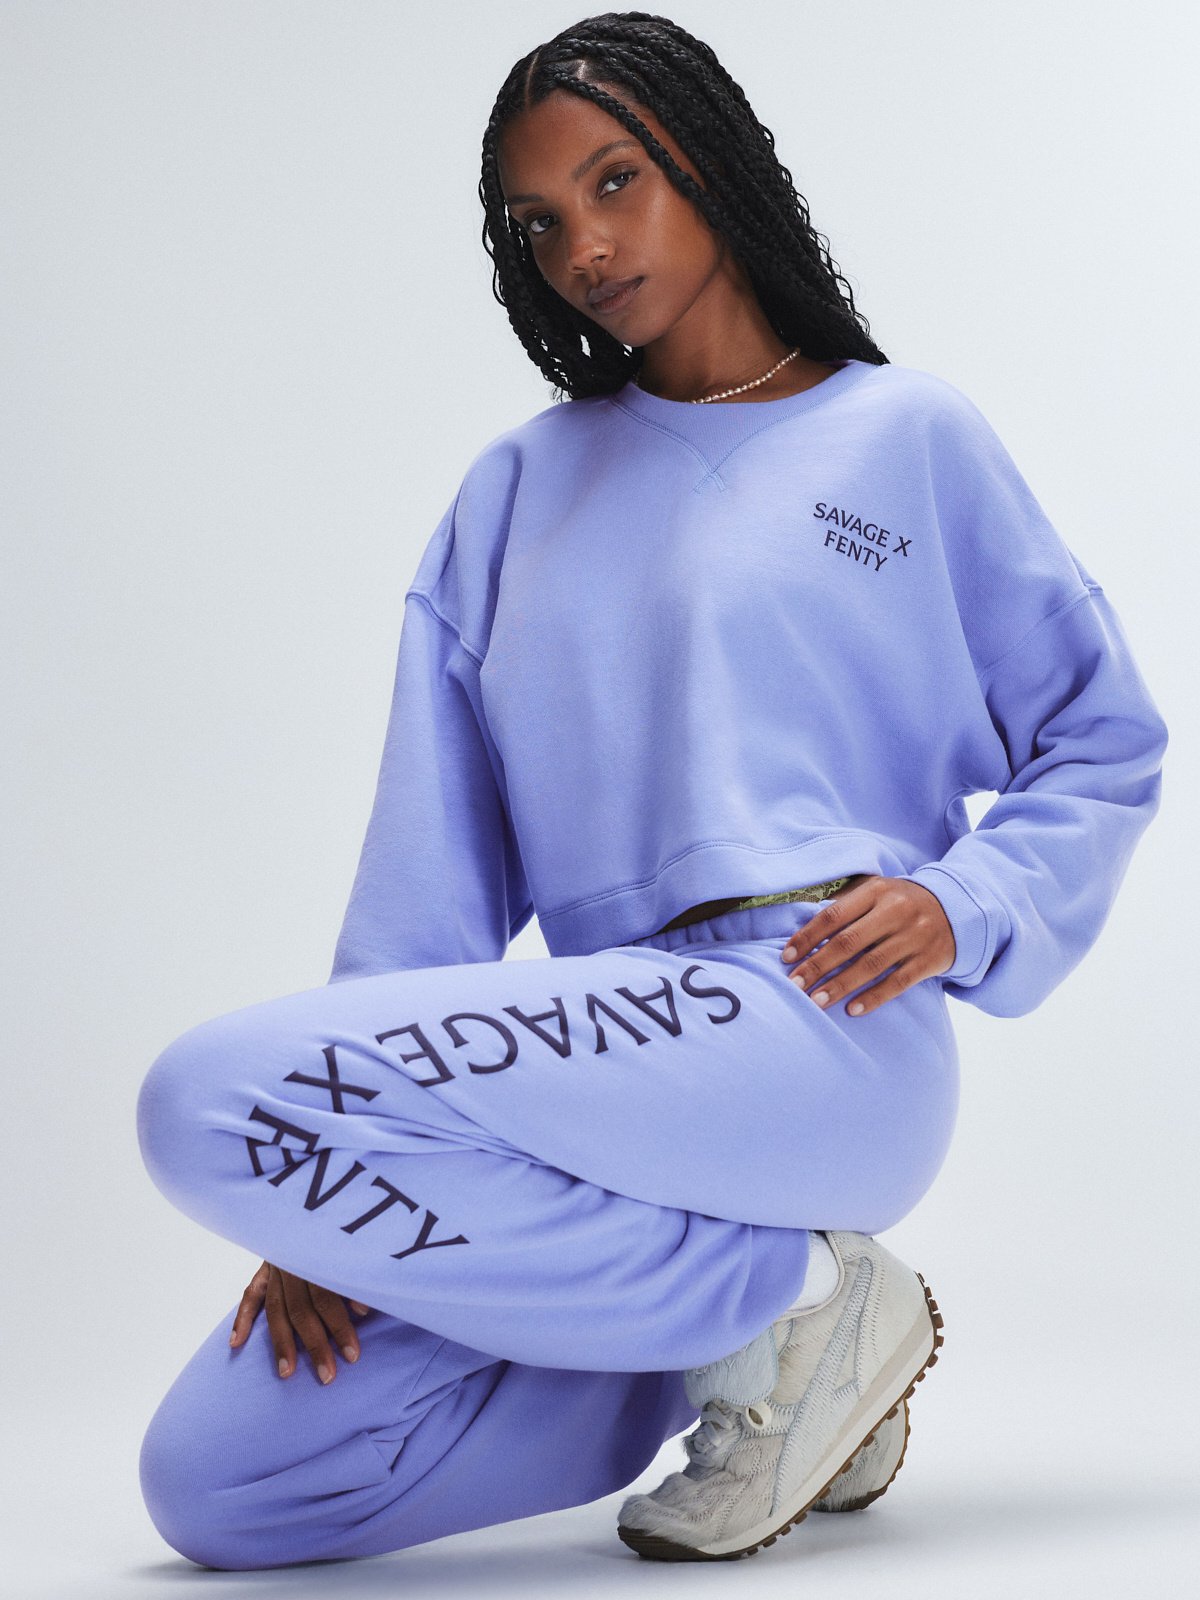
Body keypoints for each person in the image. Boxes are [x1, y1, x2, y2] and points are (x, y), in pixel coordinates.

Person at [134, 10, 1168, 1573]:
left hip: (822, 1015)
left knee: (202, 1098)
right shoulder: (517, 493)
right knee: (221, 1486)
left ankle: (799, 1306)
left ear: (710, 162)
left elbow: (1103, 735)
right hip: (604, 1048)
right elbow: (428, 879)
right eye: (540, 222)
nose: (586, 250)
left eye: (617, 181)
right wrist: (329, 1185)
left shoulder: (904, 436)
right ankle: (744, 1360)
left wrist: (969, 903)